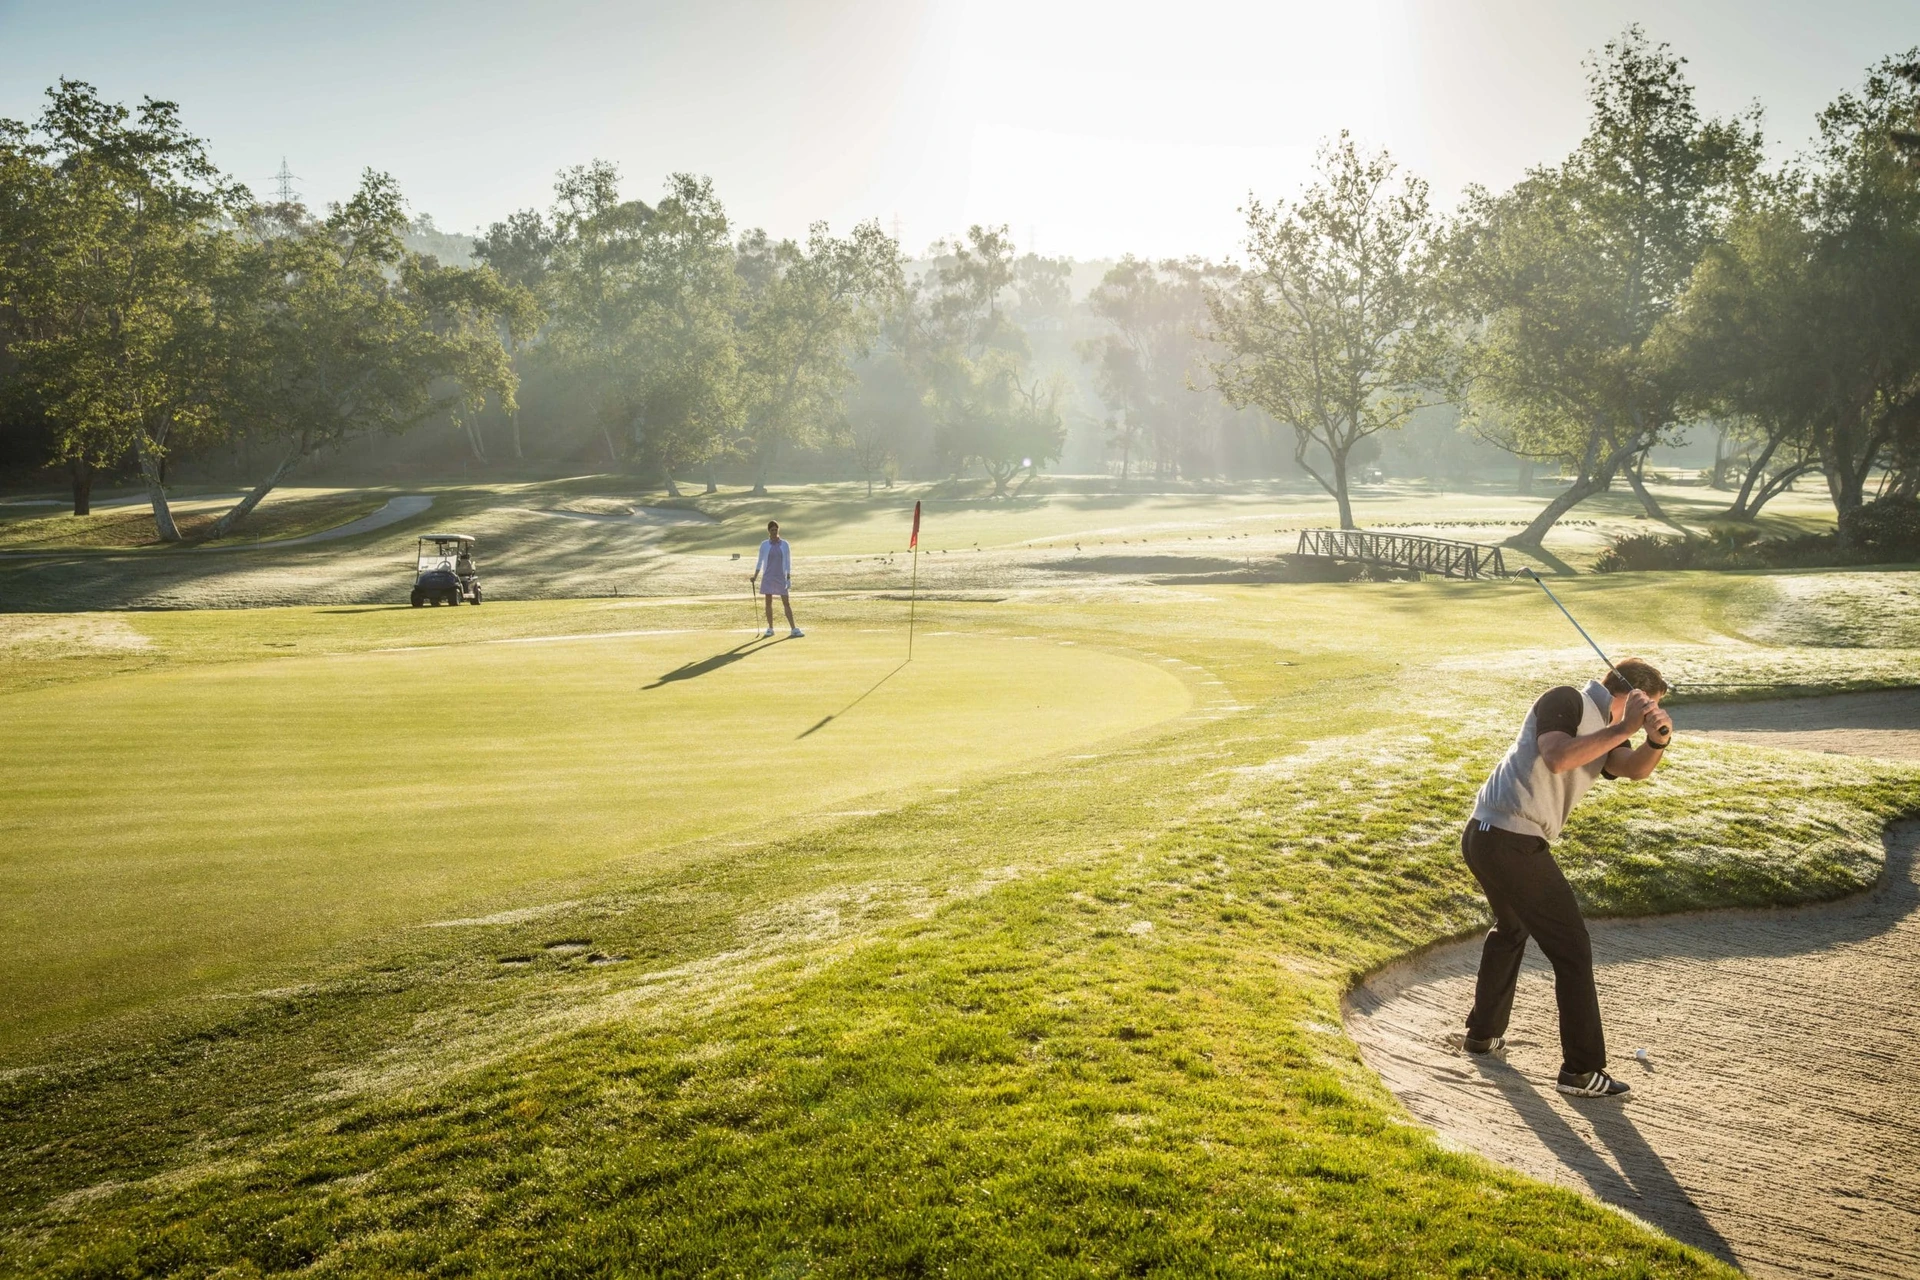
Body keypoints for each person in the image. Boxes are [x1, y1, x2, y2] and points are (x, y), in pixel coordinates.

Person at [1457, 657, 1674, 1099]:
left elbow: (1632, 768)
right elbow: (1556, 758)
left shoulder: (1604, 730)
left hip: (1492, 838)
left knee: (1512, 927)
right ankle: (1581, 1071)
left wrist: (1655, 742)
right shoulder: (1568, 700)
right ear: (1632, 696)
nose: (1649, 714)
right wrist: (1625, 726)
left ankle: (1483, 1033)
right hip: (1508, 839)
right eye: (1649, 706)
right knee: (1573, 949)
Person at [752, 519, 802, 638]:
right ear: (768, 531)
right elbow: (760, 562)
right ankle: (770, 628)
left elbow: (788, 561)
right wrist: (755, 576)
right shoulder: (764, 545)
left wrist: (788, 577)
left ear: (778, 530)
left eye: (776, 530)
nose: (774, 532)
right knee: (768, 602)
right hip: (768, 576)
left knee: (786, 602)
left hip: (780, 577)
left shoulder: (785, 544)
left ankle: (793, 628)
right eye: (772, 530)